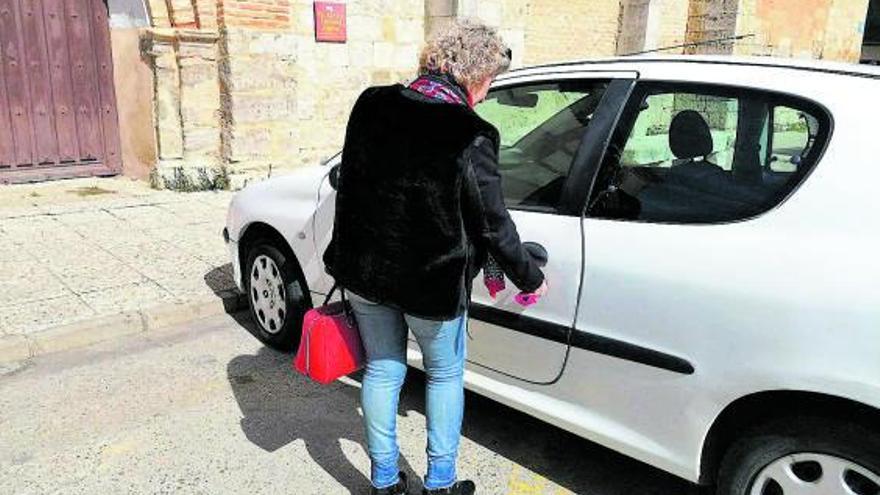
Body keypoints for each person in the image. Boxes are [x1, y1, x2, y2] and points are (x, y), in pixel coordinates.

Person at [323, 19, 548, 495]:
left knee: (383, 370)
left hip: (368, 273)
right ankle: (440, 485)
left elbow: (353, 183)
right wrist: (528, 276)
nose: (487, 94)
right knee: (444, 376)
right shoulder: (470, 132)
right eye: (489, 81)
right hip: (431, 283)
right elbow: (492, 221)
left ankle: (385, 482)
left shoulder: (371, 104)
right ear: (472, 75)